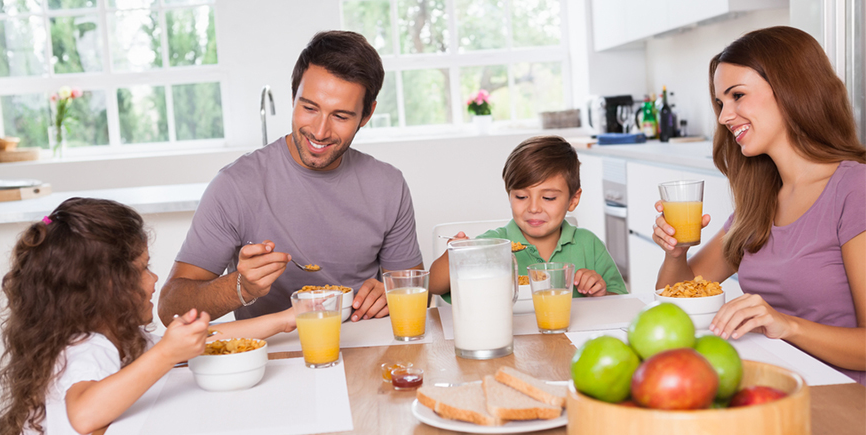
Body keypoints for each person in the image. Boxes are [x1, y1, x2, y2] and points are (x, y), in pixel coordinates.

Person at [157, 30, 423, 325]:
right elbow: (171, 310)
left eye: (341, 116)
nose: (320, 132)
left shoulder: (388, 186)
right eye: (309, 108)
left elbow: (414, 290)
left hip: (366, 348)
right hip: (275, 356)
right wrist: (240, 288)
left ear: (367, 115)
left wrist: (391, 293)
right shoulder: (235, 186)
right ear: (293, 96)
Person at [652, 26, 865, 384]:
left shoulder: (855, 189)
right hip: (770, 386)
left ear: (790, 88)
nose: (724, 116)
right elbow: (678, 298)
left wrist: (785, 325)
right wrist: (676, 252)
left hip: (840, 400)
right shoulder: (760, 202)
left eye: (737, 95)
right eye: (721, 103)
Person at [0, 198, 297, 435]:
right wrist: (167, 353)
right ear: (106, 287)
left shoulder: (123, 336)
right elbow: (84, 415)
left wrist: (286, 318)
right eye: (142, 269)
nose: (154, 279)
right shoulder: (84, 347)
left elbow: (206, 339)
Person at [429, 135, 627, 301]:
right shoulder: (492, 247)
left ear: (573, 200)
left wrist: (600, 293)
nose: (533, 208)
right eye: (521, 197)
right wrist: (454, 256)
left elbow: (619, 301)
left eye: (548, 197)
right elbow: (434, 286)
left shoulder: (589, 246)